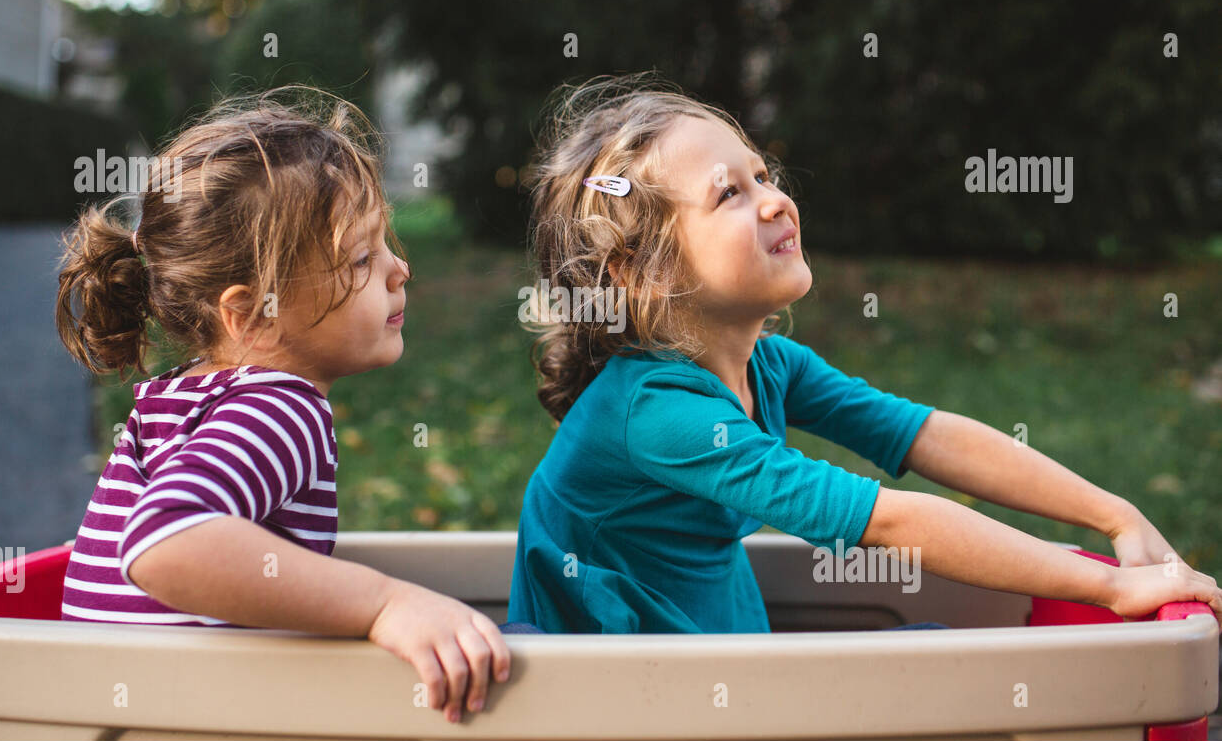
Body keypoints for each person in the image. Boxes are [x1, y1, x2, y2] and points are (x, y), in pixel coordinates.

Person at [507, 72, 1222, 634]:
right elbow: (887, 522)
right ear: (645, 272)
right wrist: (1111, 584)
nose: (775, 201)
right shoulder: (654, 415)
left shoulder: (770, 364)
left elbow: (923, 435)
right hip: (621, 707)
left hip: (702, 671)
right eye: (729, 193)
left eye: (764, 175)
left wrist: (1116, 516)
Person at [55, 87, 508, 723]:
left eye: (386, 244)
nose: (400, 268)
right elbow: (164, 542)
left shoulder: (182, 396)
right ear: (250, 316)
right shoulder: (280, 406)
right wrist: (386, 605)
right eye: (360, 258)